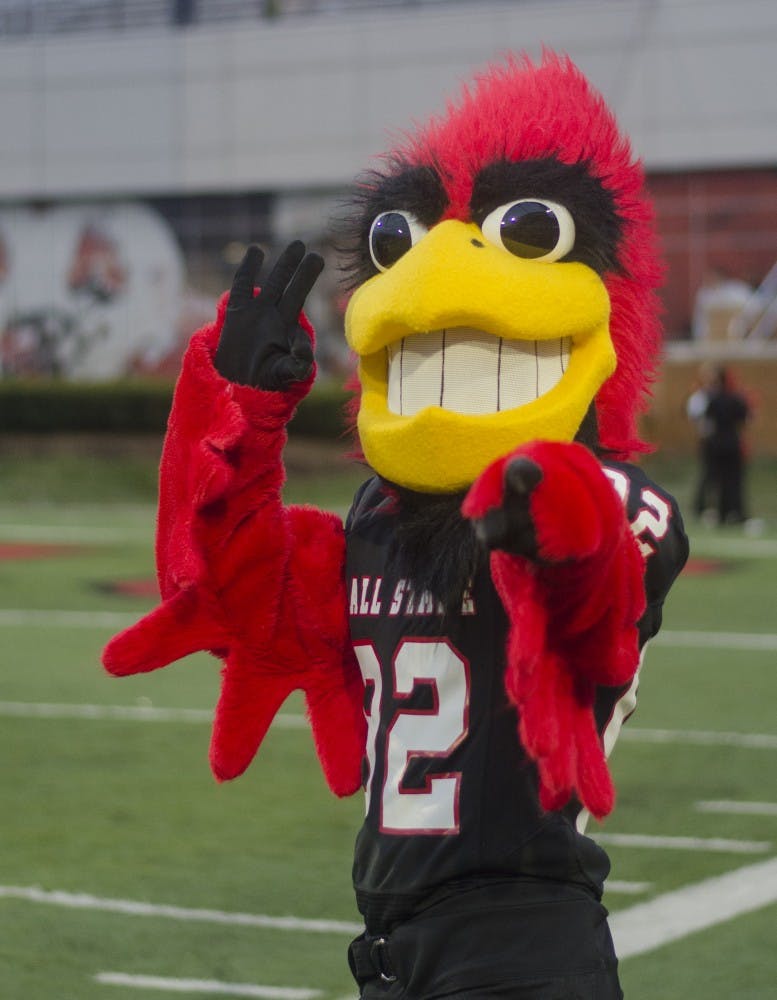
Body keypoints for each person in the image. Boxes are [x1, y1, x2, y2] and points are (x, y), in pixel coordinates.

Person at [103, 54, 689, 998]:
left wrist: (543, 505)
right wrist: (241, 410)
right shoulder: (377, 512)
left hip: (523, 932)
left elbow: (599, 576)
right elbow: (224, 585)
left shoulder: (615, 495)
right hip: (388, 943)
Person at [704, 366, 751, 524]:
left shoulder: (713, 399)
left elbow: (708, 422)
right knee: (735, 480)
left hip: (717, 444)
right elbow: (745, 421)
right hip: (732, 443)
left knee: (720, 480)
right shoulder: (737, 399)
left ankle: (722, 514)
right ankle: (737, 512)